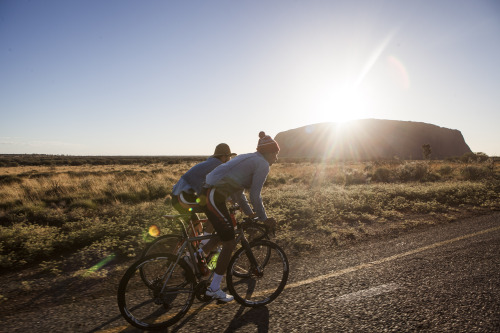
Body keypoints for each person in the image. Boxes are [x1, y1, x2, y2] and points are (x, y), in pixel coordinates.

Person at [199, 131, 279, 303]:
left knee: (223, 237)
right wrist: (265, 219)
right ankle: (214, 288)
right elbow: (255, 195)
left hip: (210, 193)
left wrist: (249, 213)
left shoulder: (249, 158)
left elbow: (238, 192)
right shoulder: (263, 164)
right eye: (275, 153)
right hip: (214, 196)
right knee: (228, 244)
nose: (276, 158)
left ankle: (193, 259)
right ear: (267, 152)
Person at [171, 143, 236, 275]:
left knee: (198, 226)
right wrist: (230, 199)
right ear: (224, 156)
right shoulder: (218, 165)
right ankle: (198, 253)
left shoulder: (211, 162)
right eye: (228, 157)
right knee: (214, 213)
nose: (229, 159)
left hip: (179, 196)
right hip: (183, 197)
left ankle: (195, 253)